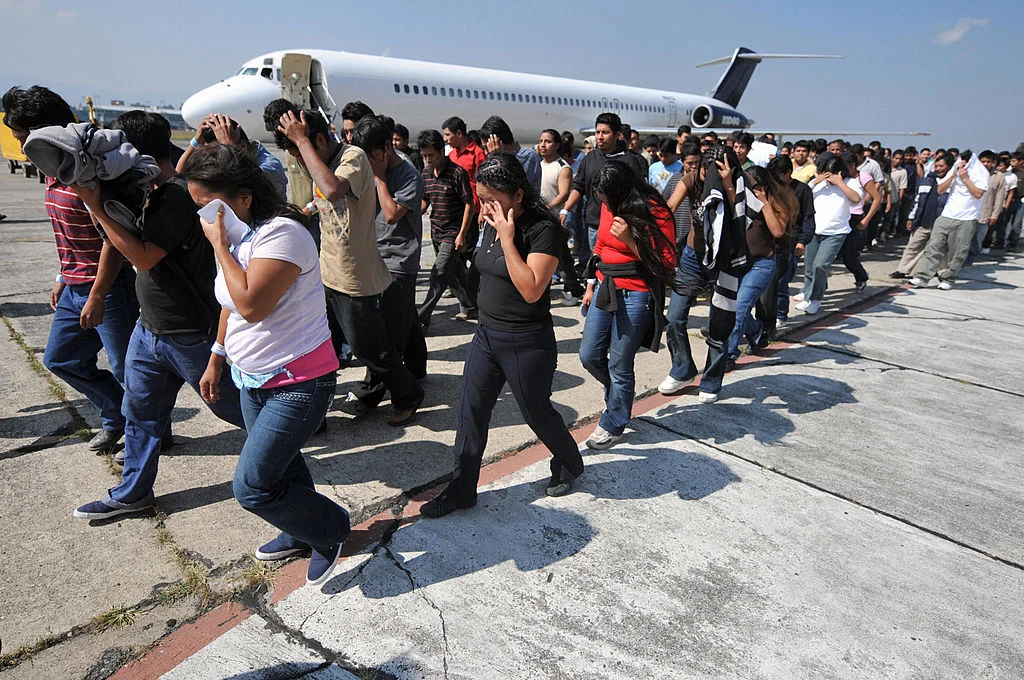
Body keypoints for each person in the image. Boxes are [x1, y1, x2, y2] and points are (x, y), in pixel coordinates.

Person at [182, 143, 348, 586]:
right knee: (283, 464)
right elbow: (229, 303)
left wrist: (219, 246)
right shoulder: (242, 236)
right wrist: (217, 357)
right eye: (198, 206)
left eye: (208, 204)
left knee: (253, 486)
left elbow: (252, 305)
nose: (203, 216)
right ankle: (300, 530)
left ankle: (329, 531)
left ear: (243, 198)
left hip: (299, 381)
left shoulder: (283, 234)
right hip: (251, 376)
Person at [72, 111, 245, 519]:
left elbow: (145, 257)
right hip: (148, 328)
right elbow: (119, 244)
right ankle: (134, 492)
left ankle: (283, 445)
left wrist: (95, 206)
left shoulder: (176, 197)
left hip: (189, 333)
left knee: (236, 409)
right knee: (140, 413)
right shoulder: (143, 189)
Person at [419, 154, 585, 517]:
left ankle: (571, 461)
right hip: (487, 334)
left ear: (519, 195)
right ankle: (463, 489)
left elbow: (531, 290)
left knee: (536, 412)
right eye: (480, 197)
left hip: (525, 341)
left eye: (492, 198)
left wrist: (508, 239)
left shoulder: (543, 229)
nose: (484, 205)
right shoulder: (492, 218)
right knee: (470, 412)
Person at [2, 85, 139, 453]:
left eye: (22, 137)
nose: (20, 147)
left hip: (109, 286)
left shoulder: (86, 169)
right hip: (76, 284)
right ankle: (116, 416)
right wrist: (63, 276)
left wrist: (96, 295)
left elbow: (113, 238)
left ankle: (149, 436)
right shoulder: (54, 165)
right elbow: (67, 230)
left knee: (130, 371)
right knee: (61, 359)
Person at [278, 109, 424, 425]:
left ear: (318, 139)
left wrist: (301, 141)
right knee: (324, 344)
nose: (302, 158)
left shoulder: (353, 157)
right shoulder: (324, 160)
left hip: (354, 274)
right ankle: (318, 407)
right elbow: (322, 198)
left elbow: (332, 189)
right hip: (327, 271)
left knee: (367, 346)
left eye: (304, 147)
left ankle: (408, 392)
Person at [579, 161, 674, 448]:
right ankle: (618, 394)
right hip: (605, 287)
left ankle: (614, 422)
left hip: (636, 292)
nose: (604, 202)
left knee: (620, 363)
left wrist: (631, 240)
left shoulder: (654, 209)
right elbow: (601, 246)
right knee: (589, 354)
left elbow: (667, 263)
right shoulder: (611, 203)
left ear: (624, 191)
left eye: (607, 197)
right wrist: (591, 284)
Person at [342, 115, 427, 414]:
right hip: (373, 256)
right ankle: (415, 373)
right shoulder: (368, 167)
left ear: (386, 149)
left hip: (400, 261)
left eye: (372, 157)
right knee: (398, 325)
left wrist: (378, 179)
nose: (368, 162)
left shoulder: (409, 177)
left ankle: (376, 395)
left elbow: (391, 214)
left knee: (387, 334)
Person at [721, 166, 796, 364]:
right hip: (737, 264)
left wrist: (764, 203)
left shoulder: (777, 203)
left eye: (754, 186)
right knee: (732, 307)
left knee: (739, 307)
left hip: (761, 264)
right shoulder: (738, 200)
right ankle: (756, 330)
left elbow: (778, 231)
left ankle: (729, 354)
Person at [658, 145, 713, 395]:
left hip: (723, 259)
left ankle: (715, 375)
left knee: (726, 320)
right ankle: (682, 368)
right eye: (700, 169)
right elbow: (669, 207)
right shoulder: (691, 179)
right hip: (693, 253)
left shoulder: (732, 185)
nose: (701, 174)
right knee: (675, 317)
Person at [560, 113, 647, 251]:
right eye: (597, 132)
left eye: (605, 132)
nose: (600, 137)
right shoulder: (590, 158)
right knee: (596, 264)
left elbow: (640, 193)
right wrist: (565, 210)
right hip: (594, 225)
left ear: (617, 134)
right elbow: (579, 186)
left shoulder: (629, 161)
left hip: (620, 226)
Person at [417, 129, 477, 327]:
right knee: (455, 273)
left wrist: (462, 234)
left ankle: (421, 318)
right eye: (424, 156)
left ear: (441, 151)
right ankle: (469, 307)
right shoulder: (425, 173)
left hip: (453, 233)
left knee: (439, 272)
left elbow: (469, 204)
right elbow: (426, 199)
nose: (428, 160)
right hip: (436, 230)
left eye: (431, 155)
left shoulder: (457, 173)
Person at [796, 155, 864, 315]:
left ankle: (815, 299)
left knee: (820, 266)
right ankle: (807, 295)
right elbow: (801, 195)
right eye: (826, 172)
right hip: (815, 231)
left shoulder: (850, 183)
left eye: (832, 173)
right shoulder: (818, 183)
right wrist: (816, 180)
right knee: (809, 266)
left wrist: (839, 183)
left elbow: (856, 200)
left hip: (836, 232)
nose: (829, 176)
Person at [910, 153, 989, 290]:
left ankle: (948, 278)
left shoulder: (981, 173)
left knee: (957, 252)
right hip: (947, 215)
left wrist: (965, 178)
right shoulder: (955, 170)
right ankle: (923, 277)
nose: (962, 165)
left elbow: (978, 194)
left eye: (965, 163)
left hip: (967, 218)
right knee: (933, 246)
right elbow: (940, 190)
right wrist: (953, 175)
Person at [175, 114, 287, 198]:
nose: (215, 160)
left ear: (242, 146)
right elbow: (178, 177)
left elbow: (251, 183)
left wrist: (229, 147)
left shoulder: (271, 167)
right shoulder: (221, 159)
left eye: (219, 153)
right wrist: (196, 141)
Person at [538, 128, 584, 304]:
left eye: (548, 141)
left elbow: (564, 194)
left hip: (555, 219)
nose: (543, 145)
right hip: (539, 217)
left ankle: (573, 289)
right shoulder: (538, 164)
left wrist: (547, 208)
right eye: (541, 141)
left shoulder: (563, 168)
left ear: (557, 145)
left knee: (561, 257)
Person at [890, 154, 951, 278]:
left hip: (941, 223)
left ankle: (942, 272)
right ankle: (903, 270)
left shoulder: (953, 183)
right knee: (912, 247)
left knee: (941, 250)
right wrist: (911, 217)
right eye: (937, 166)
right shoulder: (928, 180)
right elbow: (917, 201)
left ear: (949, 167)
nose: (938, 168)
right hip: (923, 222)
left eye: (941, 166)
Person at [480, 115, 542, 193]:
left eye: (487, 148)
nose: (486, 153)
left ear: (498, 142)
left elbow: (513, 187)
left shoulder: (528, 157)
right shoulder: (491, 156)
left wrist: (499, 157)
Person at [968, 150, 1006, 263]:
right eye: (983, 161)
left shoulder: (999, 177)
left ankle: (972, 259)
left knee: (978, 239)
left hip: (985, 213)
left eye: (988, 161)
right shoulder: (972, 173)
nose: (985, 164)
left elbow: (999, 198)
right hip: (969, 212)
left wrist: (995, 215)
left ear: (994, 162)